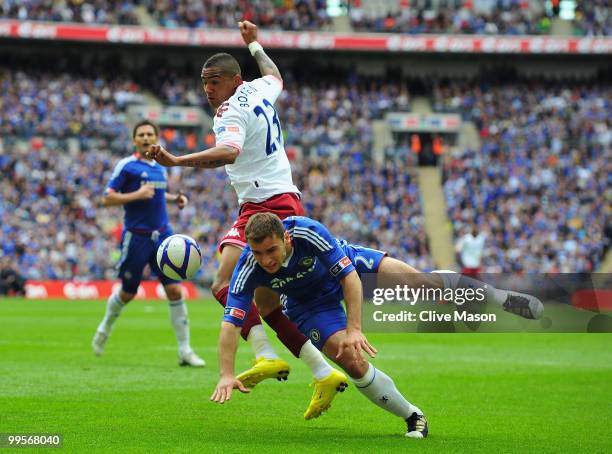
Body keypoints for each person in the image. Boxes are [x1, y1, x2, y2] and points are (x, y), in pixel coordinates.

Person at [148, 21, 344, 419]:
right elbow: (275, 75)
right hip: (282, 199)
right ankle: (321, 371)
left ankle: (265, 354)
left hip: (264, 205)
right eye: (205, 82)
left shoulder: (229, 110)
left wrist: (178, 161)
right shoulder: (259, 88)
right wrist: (254, 42)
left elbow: (230, 152)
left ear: (235, 81)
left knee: (223, 282)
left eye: (216, 81)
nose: (209, 89)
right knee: (267, 303)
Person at [210, 213, 545, 437]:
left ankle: (500, 297)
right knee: (351, 360)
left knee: (421, 284)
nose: (266, 260)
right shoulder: (248, 268)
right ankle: (413, 416)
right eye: (258, 253)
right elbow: (230, 324)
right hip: (307, 306)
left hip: (346, 269)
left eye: (271, 250)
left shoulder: (307, 232)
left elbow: (350, 279)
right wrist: (226, 373)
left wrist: (355, 327)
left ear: (285, 238)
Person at [92, 120, 205, 367]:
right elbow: (107, 198)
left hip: (164, 236)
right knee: (128, 292)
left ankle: (185, 350)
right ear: (134, 140)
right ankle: (104, 328)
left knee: (175, 290)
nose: (145, 137)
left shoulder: (160, 167)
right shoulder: (127, 166)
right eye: (141, 134)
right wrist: (136, 195)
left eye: (149, 134)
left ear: (156, 138)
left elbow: (156, 193)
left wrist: (175, 199)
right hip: (137, 237)